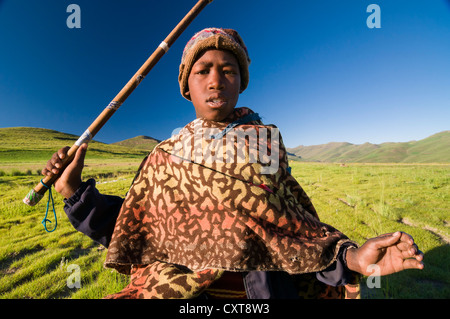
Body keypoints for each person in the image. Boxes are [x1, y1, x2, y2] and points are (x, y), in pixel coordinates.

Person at [42, 28, 424, 299]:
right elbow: (134, 229)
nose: (215, 80)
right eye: (202, 70)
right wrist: (74, 192)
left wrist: (353, 258)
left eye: (228, 70)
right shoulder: (164, 157)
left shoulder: (266, 146)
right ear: (185, 85)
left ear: (241, 81)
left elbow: (296, 234)